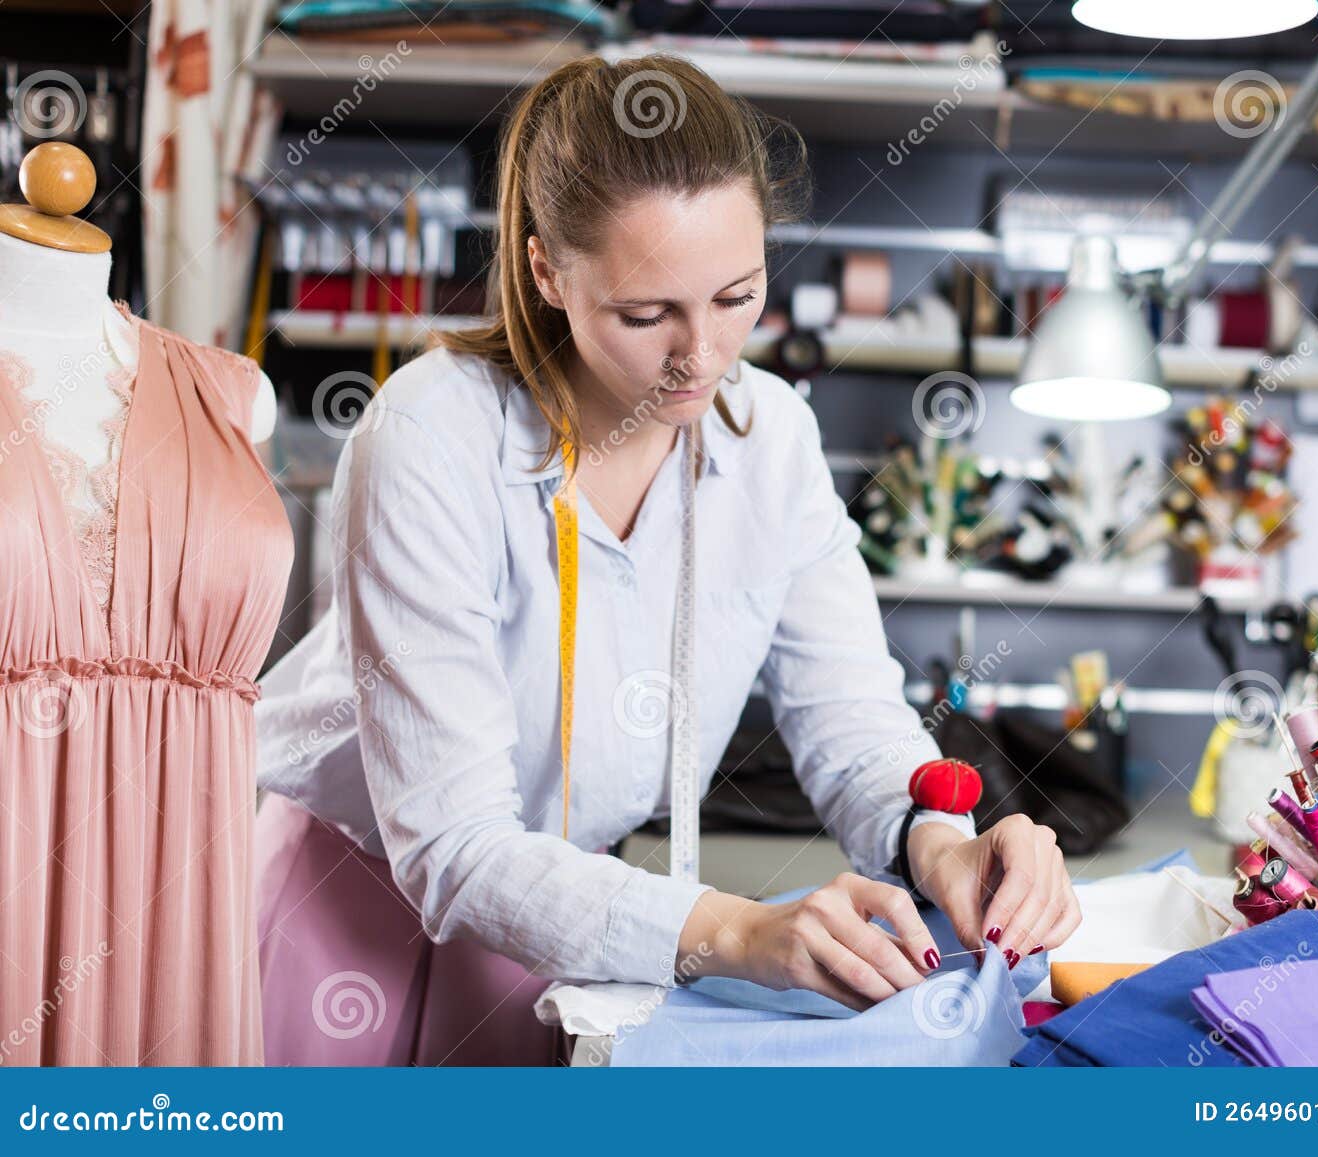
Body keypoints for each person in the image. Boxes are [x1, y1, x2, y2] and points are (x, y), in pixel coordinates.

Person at [253, 53, 1080, 1065]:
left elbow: (852, 725)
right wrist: (735, 930)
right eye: (646, 315)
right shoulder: (429, 433)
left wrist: (941, 842)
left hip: (573, 919)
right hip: (353, 910)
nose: (703, 356)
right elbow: (455, 847)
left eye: (736, 295)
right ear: (547, 270)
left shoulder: (768, 435)